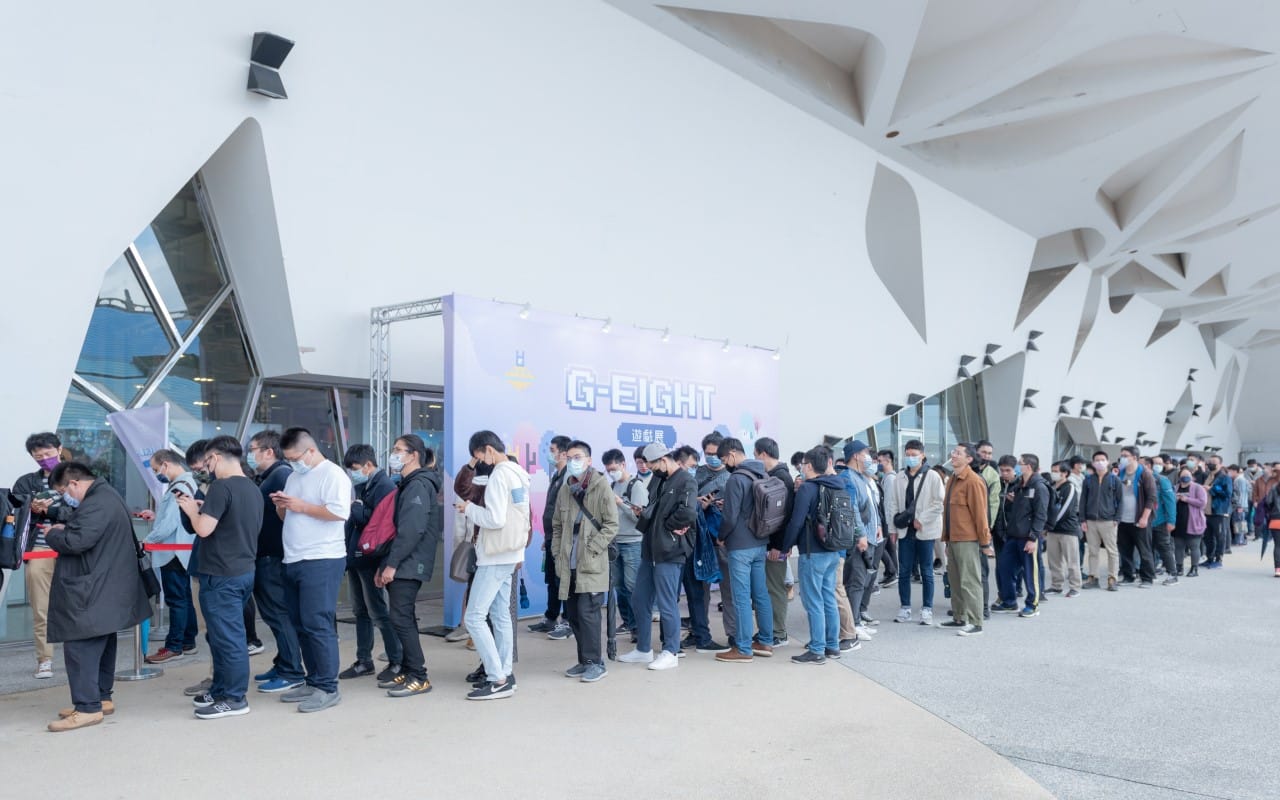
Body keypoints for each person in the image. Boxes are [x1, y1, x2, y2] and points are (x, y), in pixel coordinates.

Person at [40, 462, 151, 731]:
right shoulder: (107, 495)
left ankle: (87, 707)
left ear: (74, 483)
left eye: (63, 491)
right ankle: (101, 698)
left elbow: (76, 542)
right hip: (105, 585)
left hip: (92, 587)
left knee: (80, 646)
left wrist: (54, 534)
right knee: (102, 643)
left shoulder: (96, 503)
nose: (66, 497)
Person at [176, 436, 264, 719]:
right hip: (242, 571)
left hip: (221, 574)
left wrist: (191, 511)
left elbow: (203, 529)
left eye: (207, 462)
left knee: (228, 639)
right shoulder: (252, 488)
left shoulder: (221, 488)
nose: (206, 467)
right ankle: (222, 689)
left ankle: (235, 698)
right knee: (225, 636)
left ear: (215, 457)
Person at [270, 427, 352, 712]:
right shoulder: (294, 476)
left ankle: (328, 686)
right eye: (288, 459)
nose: (293, 463)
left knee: (317, 623)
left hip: (323, 558)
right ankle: (314, 679)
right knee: (300, 623)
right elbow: (288, 515)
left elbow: (340, 512)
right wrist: (283, 506)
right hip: (294, 558)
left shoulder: (333, 475)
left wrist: (302, 506)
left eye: (295, 457)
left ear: (311, 450)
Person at [459, 432, 530, 700]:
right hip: (510, 553)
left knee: (474, 617)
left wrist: (468, 509)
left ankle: (496, 677)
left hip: (495, 555)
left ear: (488, 450)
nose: (481, 463)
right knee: (500, 615)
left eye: (479, 457)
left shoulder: (500, 473)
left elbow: (495, 519)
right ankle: (505, 673)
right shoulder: (518, 472)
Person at [373, 435, 442, 698]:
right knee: (403, 618)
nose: (394, 454)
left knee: (401, 618)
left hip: (409, 562)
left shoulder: (418, 485)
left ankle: (419, 676)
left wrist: (391, 565)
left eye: (398, 450)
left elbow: (411, 529)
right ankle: (410, 668)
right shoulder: (409, 483)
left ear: (413, 455)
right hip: (404, 561)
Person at [619, 443, 696, 670]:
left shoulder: (685, 480)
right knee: (640, 599)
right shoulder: (658, 480)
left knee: (667, 602)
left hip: (670, 551)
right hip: (650, 549)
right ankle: (643, 649)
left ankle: (671, 651)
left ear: (663, 460)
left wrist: (667, 526)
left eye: (652, 465)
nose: (650, 469)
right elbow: (654, 506)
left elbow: (689, 512)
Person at [241, 430, 306, 693]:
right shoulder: (269, 476)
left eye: (253, 448)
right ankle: (282, 663)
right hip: (265, 555)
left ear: (269, 451)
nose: (250, 453)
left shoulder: (281, 475)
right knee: (274, 614)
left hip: (273, 556)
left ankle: (292, 671)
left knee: (279, 614)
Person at [550, 440, 618, 682]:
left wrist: (592, 549)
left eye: (578, 457)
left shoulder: (601, 487)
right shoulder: (566, 489)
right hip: (568, 563)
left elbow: (612, 525)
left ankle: (596, 663)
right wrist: (558, 553)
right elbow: (557, 525)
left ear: (589, 460)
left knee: (588, 613)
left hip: (591, 562)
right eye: (569, 457)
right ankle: (584, 660)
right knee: (574, 615)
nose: (573, 462)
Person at [12, 432, 74, 680]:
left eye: (48, 454)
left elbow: (84, 512)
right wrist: (32, 510)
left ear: (59, 449)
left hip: (73, 546)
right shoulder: (27, 482)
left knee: (77, 604)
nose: (45, 460)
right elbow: (15, 515)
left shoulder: (76, 477)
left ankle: (77, 655)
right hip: (39, 548)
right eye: (39, 457)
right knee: (41, 606)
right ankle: (44, 659)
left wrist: (53, 511)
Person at [338, 443, 401, 683]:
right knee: (360, 611)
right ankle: (364, 659)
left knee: (378, 611)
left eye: (354, 468)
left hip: (371, 557)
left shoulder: (384, 486)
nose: (351, 473)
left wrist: (357, 510)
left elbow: (379, 524)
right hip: (356, 556)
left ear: (368, 465)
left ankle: (396, 660)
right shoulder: (364, 484)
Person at [779, 447, 848, 663]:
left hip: (812, 552)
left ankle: (817, 649)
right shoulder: (838, 485)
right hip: (833, 551)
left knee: (813, 601)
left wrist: (785, 546)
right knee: (828, 597)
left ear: (808, 465)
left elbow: (796, 521)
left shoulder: (808, 489)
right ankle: (832, 645)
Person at [714, 438, 774, 662]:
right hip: (760, 542)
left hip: (740, 545)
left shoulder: (736, 479)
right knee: (761, 594)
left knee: (740, 598)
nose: (724, 463)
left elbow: (729, 517)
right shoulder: (762, 474)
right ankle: (766, 641)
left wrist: (721, 537)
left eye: (723, 459)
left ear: (731, 454)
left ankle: (743, 649)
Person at [142, 449, 199, 663]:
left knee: (177, 600)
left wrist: (147, 541)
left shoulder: (180, 487)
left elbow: (169, 525)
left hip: (172, 552)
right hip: (179, 550)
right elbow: (172, 517)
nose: (158, 473)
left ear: (166, 464)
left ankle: (174, 646)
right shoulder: (187, 484)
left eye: (157, 469)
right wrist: (157, 517)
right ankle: (187, 641)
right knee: (183, 597)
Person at [683, 433, 731, 654]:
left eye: (716, 454)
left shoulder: (733, 475)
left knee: (728, 589)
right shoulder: (696, 473)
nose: (713, 458)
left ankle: (734, 634)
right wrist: (698, 504)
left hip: (724, 539)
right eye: (708, 453)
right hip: (699, 539)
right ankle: (698, 632)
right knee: (698, 589)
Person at [939, 444, 993, 636]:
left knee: (969, 581)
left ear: (969, 459)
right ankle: (959, 617)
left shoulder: (973, 481)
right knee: (954, 580)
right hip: (953, 539)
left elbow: (981, 515)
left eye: (958, 453)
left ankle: (976, 621)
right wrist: (946, 539)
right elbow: (948, 514)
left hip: (968, 540)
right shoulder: (952, 479)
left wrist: (985, 542)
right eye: (953, 451)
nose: (953, 455)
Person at [892, 440, 943, 625]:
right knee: (904, 570)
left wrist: (922, 519)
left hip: (925, 530)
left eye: (914, 454)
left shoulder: (933, 476)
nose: (910, 457)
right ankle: (905, 607)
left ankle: (926, 609)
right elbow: (893, 505)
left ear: (922, 455)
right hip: (905, 530)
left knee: (927, 571)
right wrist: (893, 529)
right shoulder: (899, 477)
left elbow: (938, 503)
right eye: (908, 453)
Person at [754, 437, 794, 647]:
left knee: (775, 588)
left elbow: (782, 518)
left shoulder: (781, 479)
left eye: (755, 454)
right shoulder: (775, 476)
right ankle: (770, 629)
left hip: (776, 546)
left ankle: (778, 632)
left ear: (762, 454)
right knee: (769, 587)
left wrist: (777, 547)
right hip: (772, 545)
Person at [602, 448, 647, 636]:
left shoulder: (636, 486)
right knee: (618, 585)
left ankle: (639, 627)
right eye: (608, 470)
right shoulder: (611, 486)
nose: (612, 473)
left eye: (614, 468)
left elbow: (641, 518)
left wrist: (621, 503)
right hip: (615, 542)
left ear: (623, 464)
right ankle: (628, 622)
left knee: (632, 585)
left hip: (633, 542)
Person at [998, 454, 1049, 618]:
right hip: (1013, 536)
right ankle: (1009, 601)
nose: (1018, 467)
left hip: (1028, 537)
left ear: (1029, 467)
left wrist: (1033, 538)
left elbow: (1041, 515)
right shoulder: (1020, 485)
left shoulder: (1039, 487)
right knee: (1004, 568)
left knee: (1030, 572)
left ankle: (1032, 604)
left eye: (1020, 464)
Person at [531, 435, 572, 637]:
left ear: (564, 453)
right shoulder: (556, 475)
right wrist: (548, 538)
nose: (550, 453)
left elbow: (566, 512)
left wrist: (558, 538)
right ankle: (550, 617)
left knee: (562, 580)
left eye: (553, 449)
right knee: (552, 579)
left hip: (562, 540)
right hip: (551, 538)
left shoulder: (568, 477)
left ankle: (568, 621)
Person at [840, 440, 881, 640]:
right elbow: (852, 508)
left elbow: (871, 505)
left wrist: (878, 525)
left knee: (862, 580)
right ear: (856, 455)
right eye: (865, 452)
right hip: (859, 539)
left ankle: (857, 620)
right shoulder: (848, 477)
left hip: (870, 535)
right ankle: (853, 624)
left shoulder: (862, 477)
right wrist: (861, 534)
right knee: (855, 582)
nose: (869, 457)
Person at [1115, 446, 1158, 587]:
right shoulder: (1120, 473)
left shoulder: (1145, 474)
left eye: (1125, 455)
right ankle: (1128, 576)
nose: (1122, 458)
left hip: (1139, 519)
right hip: (1123, 519)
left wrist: (1145, 517)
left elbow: (1151, 498)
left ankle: (1147, 578)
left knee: (1144, 550)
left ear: (1134, 457)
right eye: (1121, 455)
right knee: (1125, 549)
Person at [1080, 451, 1122, 591]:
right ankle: (1093, 577)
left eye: (1102, 459)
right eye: (1097, 460)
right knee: (1093, 551)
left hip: (1109, 521)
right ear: (1093, 463)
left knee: (1112, 551)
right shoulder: (1088, 480)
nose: (1100, 462)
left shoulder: (1114, 480)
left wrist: (1117, 518)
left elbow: (1120, 501)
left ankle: (1112, 578)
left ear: (1108, 461)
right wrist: (1082, 519)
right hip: (1091, 521)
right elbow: (1083, 500)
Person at [1044, 461, 1082, 597]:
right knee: (1054, 560)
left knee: (1072, 561)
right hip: (1053, 530)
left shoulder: (1069, 487)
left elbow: (1065, 509)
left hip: (1068, 530)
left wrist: (1048, 525)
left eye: (1056, 470)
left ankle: (1075, 587)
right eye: (1052, 470)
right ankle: (1056, 585)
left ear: (1065, 473)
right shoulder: (1051, 486)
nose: (1053, 473)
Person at [1147, 455, 1178, 585]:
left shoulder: (1162, 480)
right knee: (1148, 548)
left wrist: (1171, 521)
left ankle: (1172, 574)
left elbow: (1170, 502)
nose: (1158, 466)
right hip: (1147, 521)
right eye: (1156, 463)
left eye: (1160, 463)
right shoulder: (1143, 479)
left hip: (1160, 521)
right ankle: (1151, 573)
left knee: (1164, 547)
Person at [1171, 467, 1207, 577]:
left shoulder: (1198, 488)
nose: (1185, 478)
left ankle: (1194, 568)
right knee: (1178, 546)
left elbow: (1202, 502)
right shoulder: (1175, 487)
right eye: (1183, 475)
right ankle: (1179, 567)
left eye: (1187, 475)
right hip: (1178, 522)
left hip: (1194, 522)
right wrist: (1175, 499)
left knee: (1194, 546)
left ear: (1191, 477)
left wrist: (1187, 499)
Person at [876, 449, 900, 588]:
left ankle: (892, 572)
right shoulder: (887, 477)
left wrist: (889, 523)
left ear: (888, 461)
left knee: (883, 546)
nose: (878, 464)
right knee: (889, 547)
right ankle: (892, 573)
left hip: (886, 518)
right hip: (886, 518)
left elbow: (889, 502)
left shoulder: (890, 478)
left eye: (880, 461)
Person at [1230, 464, 1250, 547]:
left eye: (1230, 471)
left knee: (1239, 523)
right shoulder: (1240, 479)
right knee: (1240, 522)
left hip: (1240, 505)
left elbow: (1240, 494)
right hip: (1241, 505)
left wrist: (1239, 506)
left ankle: (1239, 540)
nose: (1229, 473)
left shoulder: (1239, 480)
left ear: (1235, 471)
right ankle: (1240, 539)